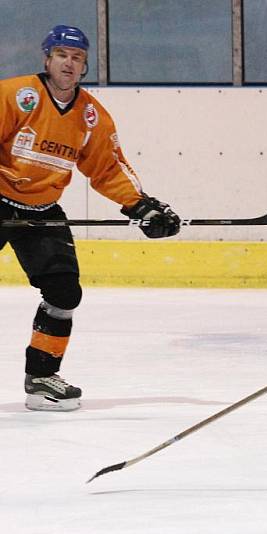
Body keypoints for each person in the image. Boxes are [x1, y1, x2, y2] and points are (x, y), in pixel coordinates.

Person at [0, 25, 181, 412]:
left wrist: (141, 206)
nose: (69, 62)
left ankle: (42, 378)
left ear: (84, 66)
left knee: (64, 292)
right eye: (62, 54)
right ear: (47, 59)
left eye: (77, 57)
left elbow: (108, 168)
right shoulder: (15, 95)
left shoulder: (91, 116)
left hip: (43, 208)